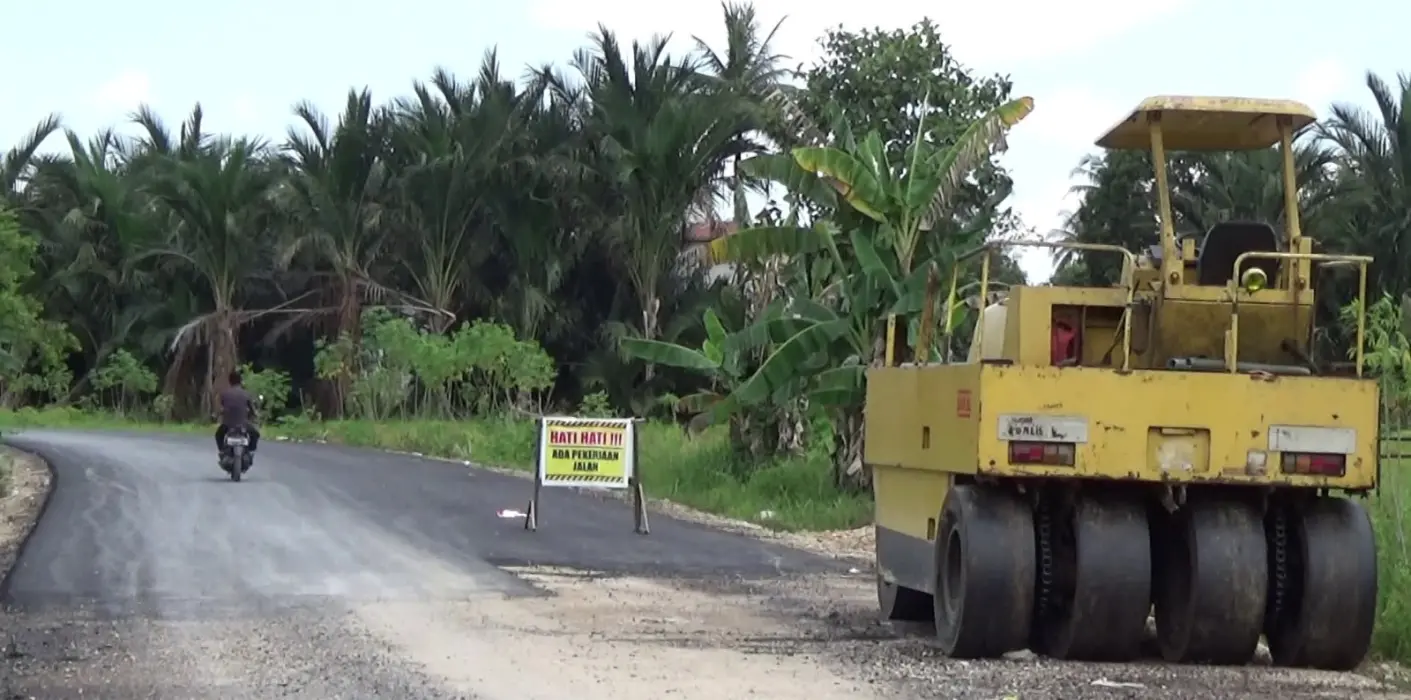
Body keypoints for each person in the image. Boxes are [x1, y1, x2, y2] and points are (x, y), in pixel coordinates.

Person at [215, 369, 260, 456]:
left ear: (230, 381)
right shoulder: (246, 394)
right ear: (240, 381)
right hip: (243, 424)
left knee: (218, 435)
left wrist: (217, 415)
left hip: (227, 424)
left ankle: (222, 452)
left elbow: (222, 409)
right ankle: (250, 452)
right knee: (255, 434)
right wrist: (255, 415)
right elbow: (253, 410)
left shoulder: (224, 394)